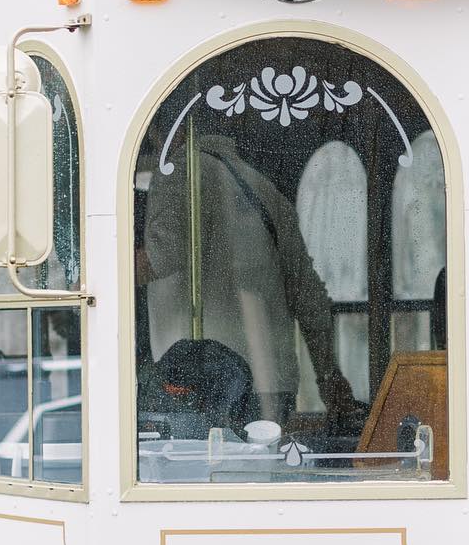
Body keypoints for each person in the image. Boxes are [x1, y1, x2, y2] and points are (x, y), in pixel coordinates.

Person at [139, 132, 357, 425]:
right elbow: (309, 296)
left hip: (205, 384)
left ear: (160, 130)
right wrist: (328, 375)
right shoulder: (263, 188)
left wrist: (95, 274)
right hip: (274, 380)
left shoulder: (178, 171)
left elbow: (163, 255)